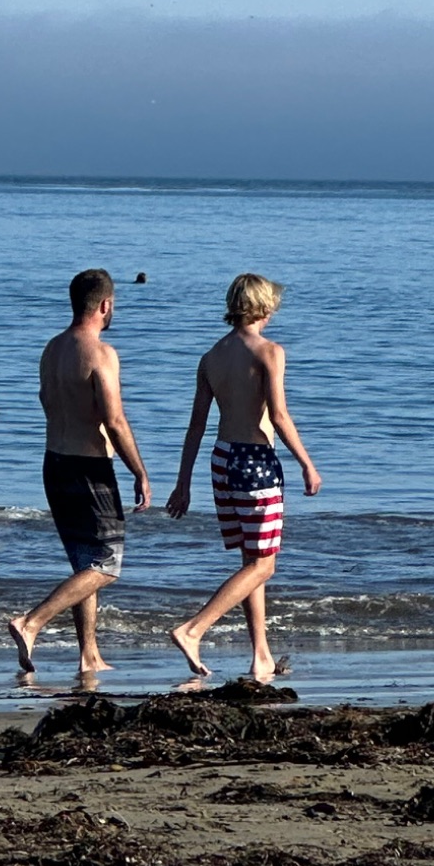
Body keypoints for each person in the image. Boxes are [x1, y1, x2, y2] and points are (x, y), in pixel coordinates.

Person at [165, 272, 322, 683]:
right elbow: (280, 415)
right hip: (255, 460)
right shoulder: (269, 352)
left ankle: (261, 656)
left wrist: (182, 483)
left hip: (222, 460)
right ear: (263, 308)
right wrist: (307, 462)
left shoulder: (211, 357)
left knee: (251, 561)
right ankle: (193, 629)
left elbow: (195, 425)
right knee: (264, 566)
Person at [7, 270, 151, 676]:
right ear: (105, 305)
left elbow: (46, 401)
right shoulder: (101, 353)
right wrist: (138, 471)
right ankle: (31, 622)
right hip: (89, 467)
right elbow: (115, 419)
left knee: (83, 564)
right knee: (106, 564)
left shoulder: (51, 350)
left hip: (54, 462)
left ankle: (89, 654)